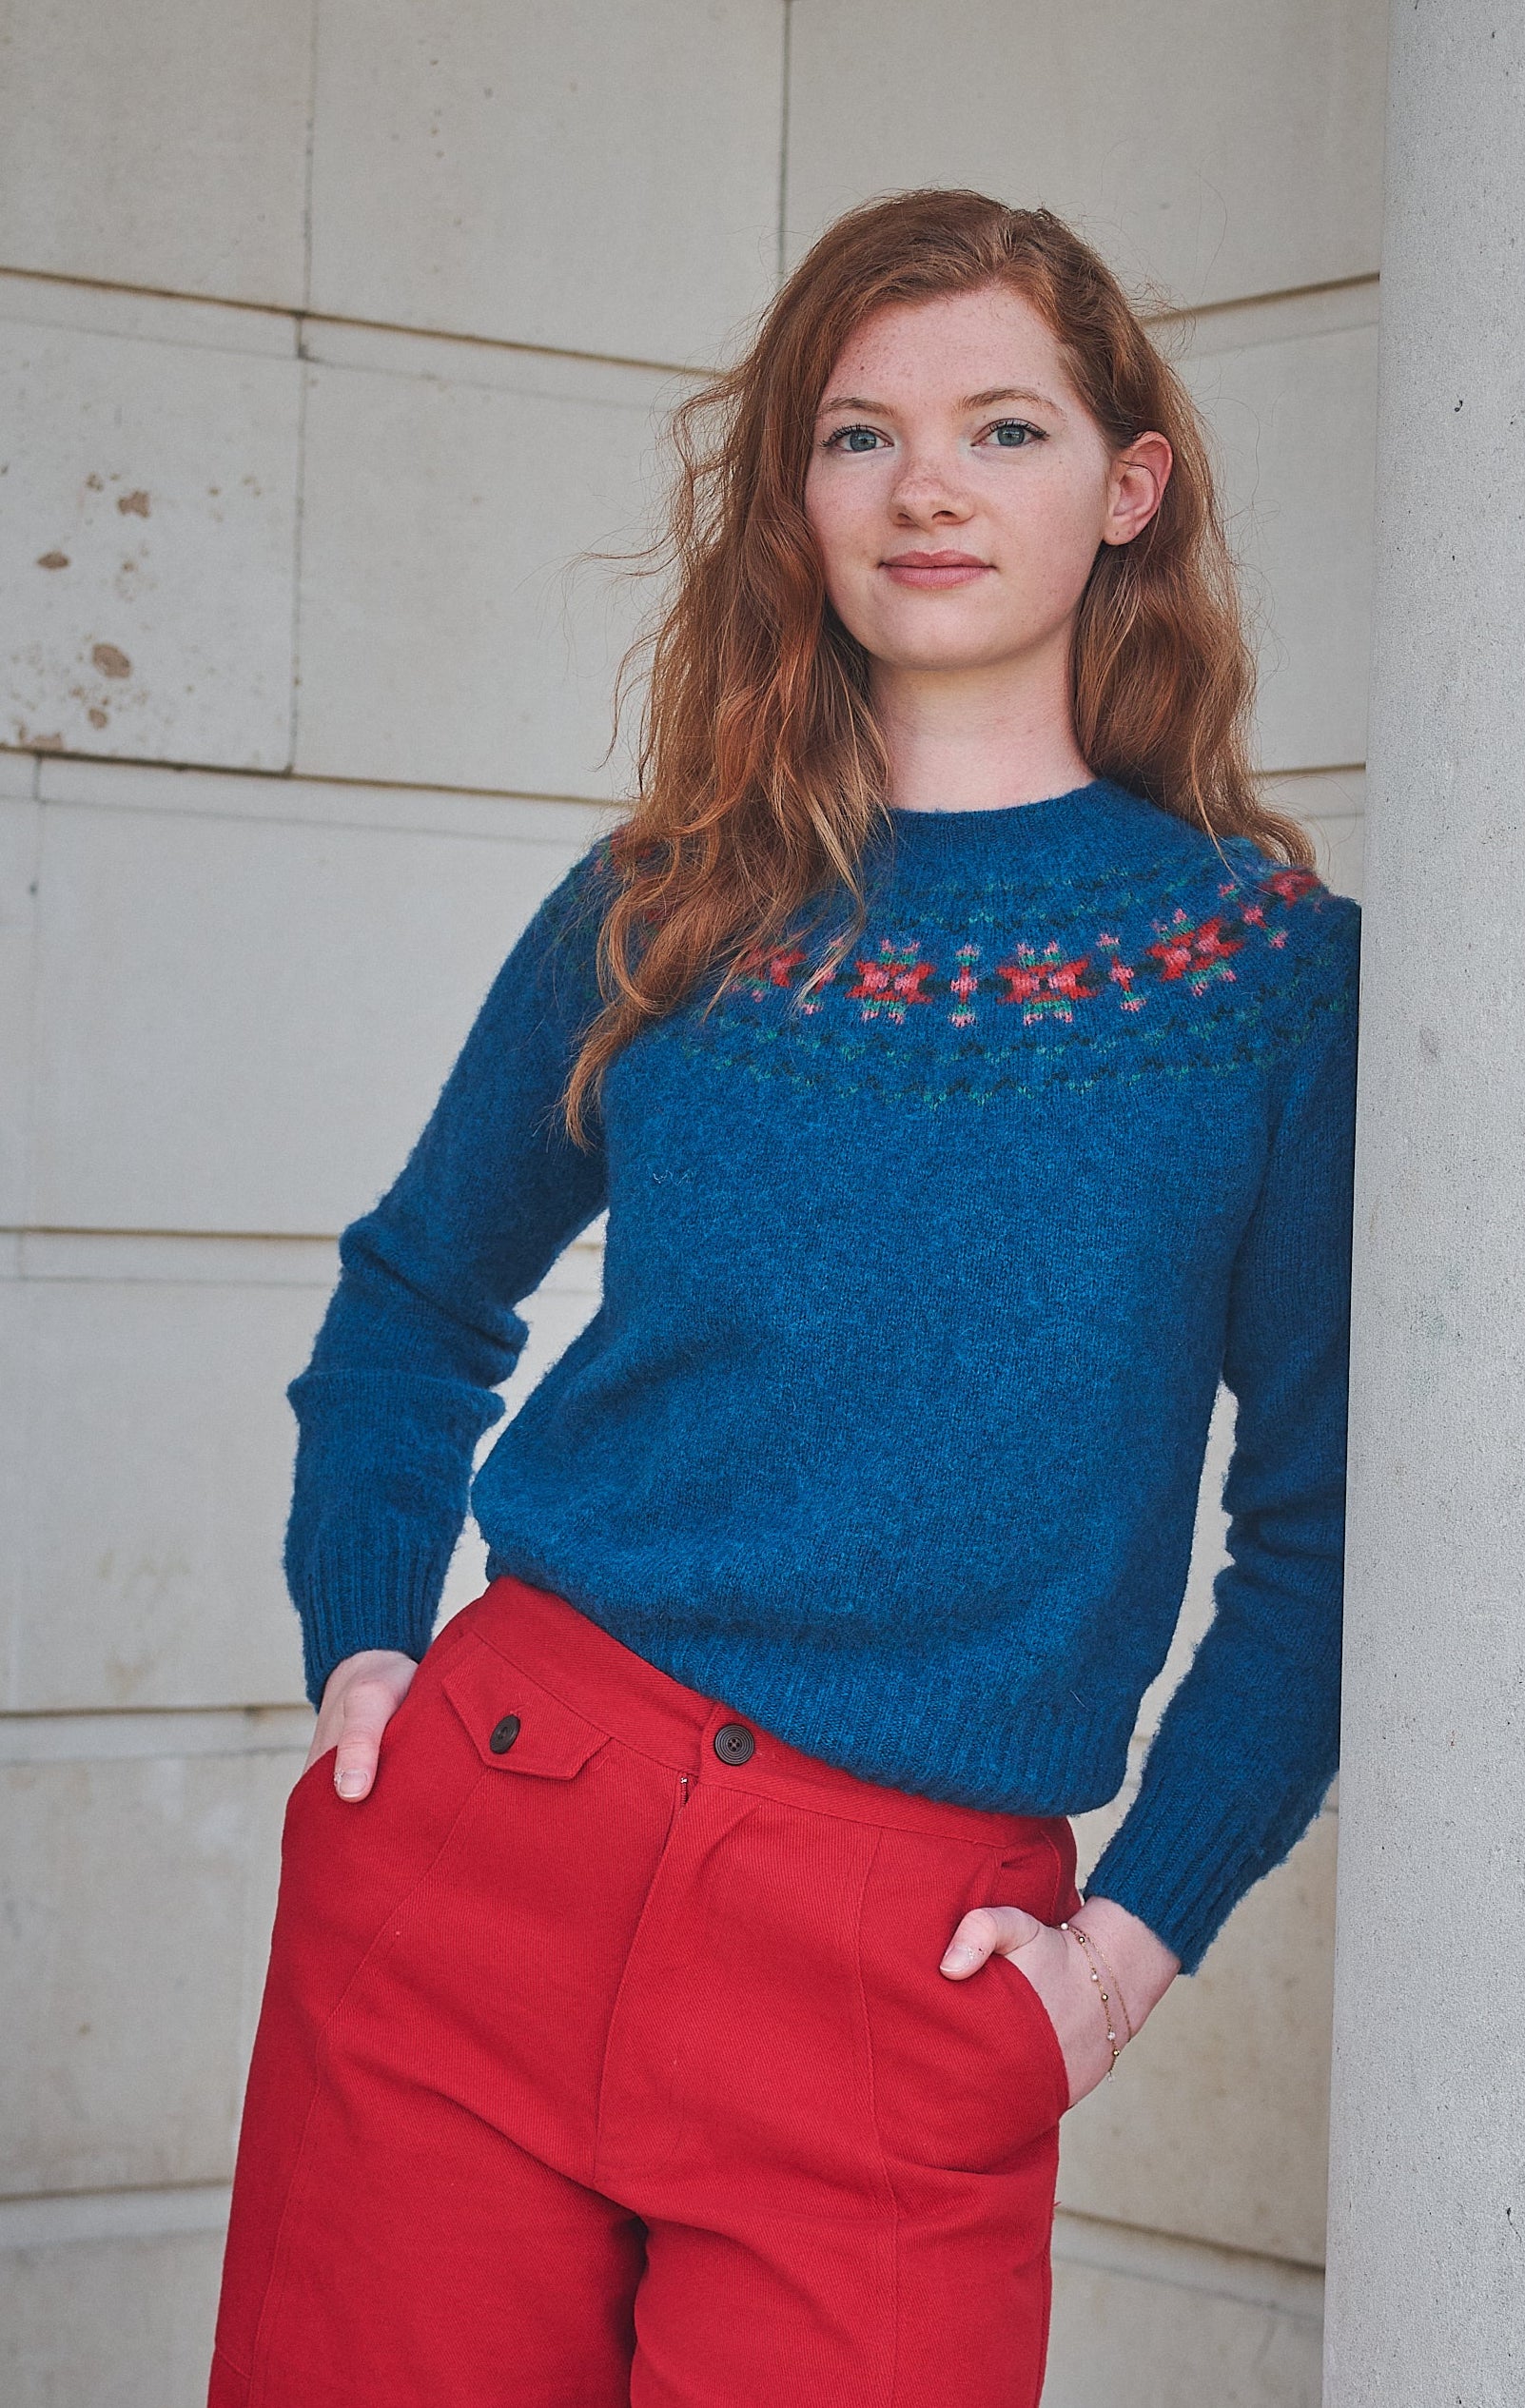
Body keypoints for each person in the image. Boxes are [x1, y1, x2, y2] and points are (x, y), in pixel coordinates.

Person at [205, 187, 1360, 2408]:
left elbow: (1320, 1541)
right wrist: (365, 1637)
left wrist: (1120, 1956)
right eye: (858, 434)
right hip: (482, 1856)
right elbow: (412, 1296)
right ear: (795, 497)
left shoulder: (1266, 984)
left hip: (899, 1960)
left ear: (1128, 490)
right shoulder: (667, 906)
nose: (924, 485)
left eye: (1001, 429)